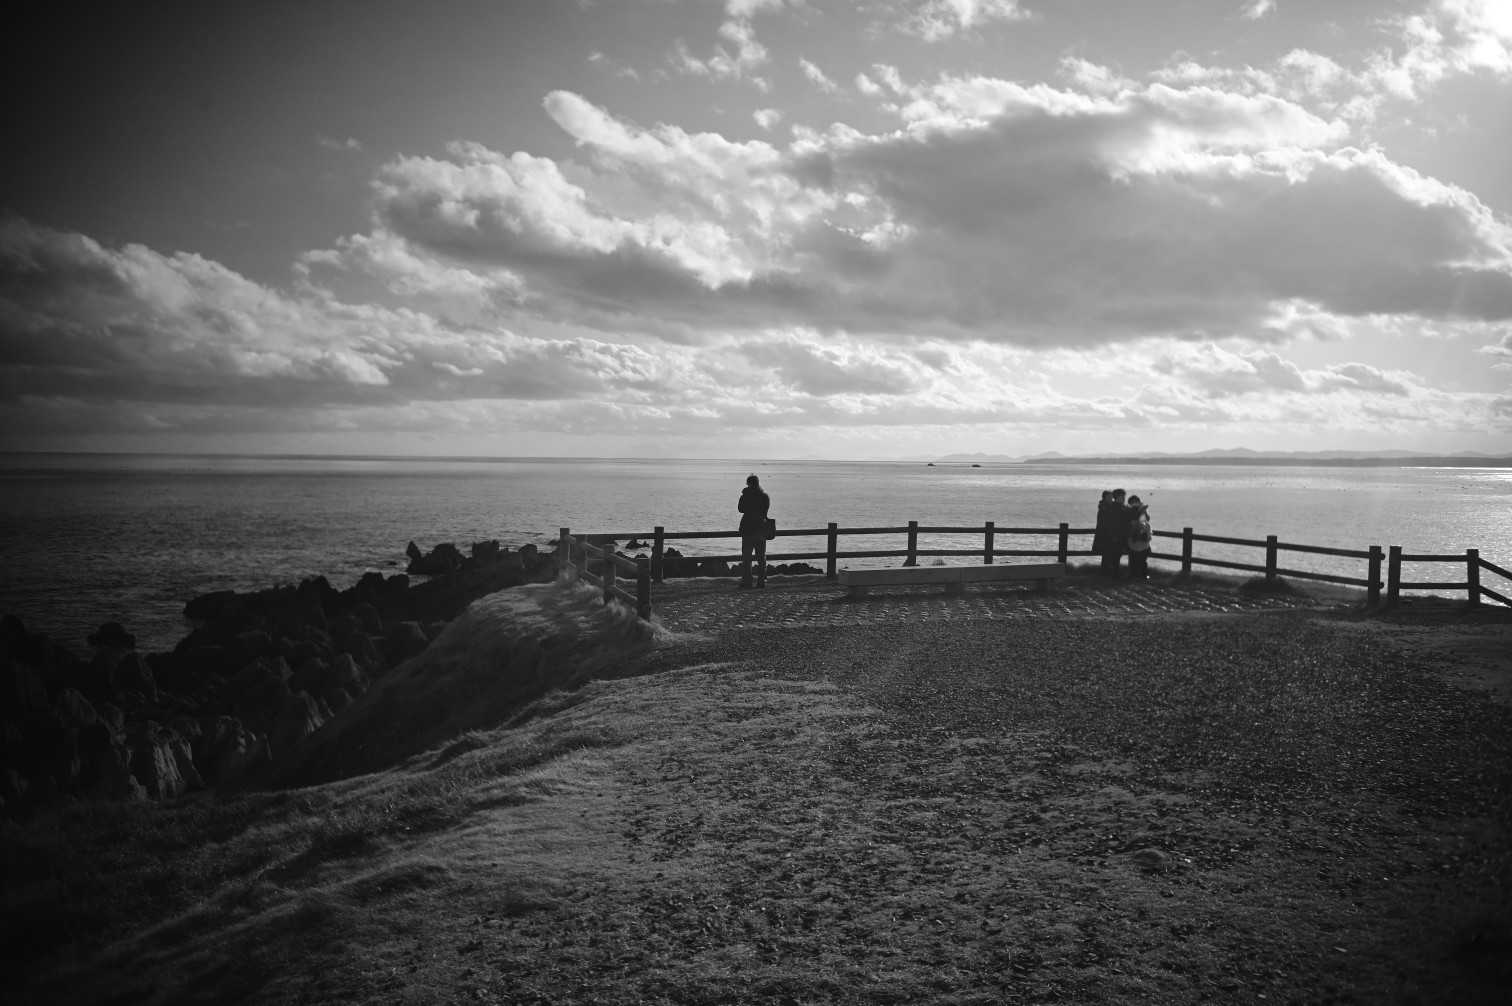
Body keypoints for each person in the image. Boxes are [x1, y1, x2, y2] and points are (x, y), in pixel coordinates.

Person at [737, 474, 770, 588]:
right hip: (761, 528)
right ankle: (761, 581)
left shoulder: (746, 496)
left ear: (748, 483)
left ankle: (747, 580)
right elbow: (765, 510)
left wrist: (745, 495)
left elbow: (740, 509)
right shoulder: (764, 496)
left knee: (746, 557)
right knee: (761, 557)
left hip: (748, 528)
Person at [1126, 494, 1152, 580]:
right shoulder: (1128, 510)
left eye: (1136, 502)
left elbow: (1146, 519)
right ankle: (1134, 575)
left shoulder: (1142, 509)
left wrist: (1143, 511)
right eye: (1133, 502)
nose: (1135, 503)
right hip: (1133, 537)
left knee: (1142, 559)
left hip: (1142, 537)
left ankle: (1144, 575)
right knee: (1133, 558)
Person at [1092, 490, 1117, 576]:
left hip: (1106, 534)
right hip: (1105, 535)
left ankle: (1106, 573)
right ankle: (1105, 573)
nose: (1111, 498)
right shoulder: (1104, 507)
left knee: (1108, 555)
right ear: (1105, 497)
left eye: (1111, 497)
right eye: (1109, 497)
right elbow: (1105, 522)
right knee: (1107, 554)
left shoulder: (1106, 506)